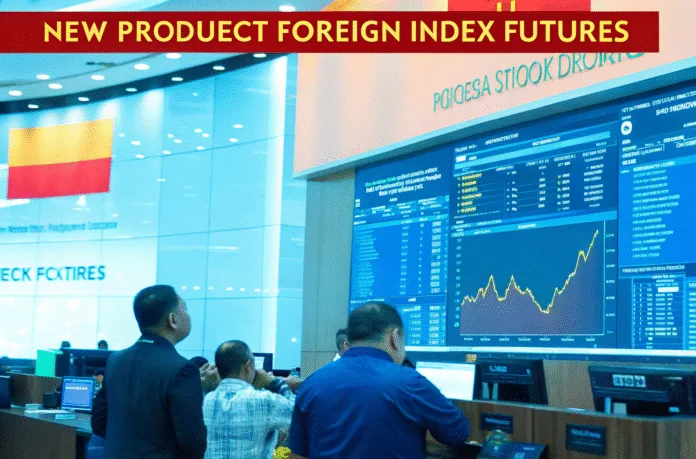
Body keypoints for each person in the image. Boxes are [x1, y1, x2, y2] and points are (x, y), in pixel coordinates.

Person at [288, 302, 470, 459]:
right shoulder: (410, 382)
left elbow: (297, 454)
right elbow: (458, 432)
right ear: (395, 337)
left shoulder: (312, 383)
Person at [91, 285, 210, 459]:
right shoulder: (183, 369)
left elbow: (99, 423)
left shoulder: (115, 360)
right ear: (172, 320)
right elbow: (193, 444)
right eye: (185, 309)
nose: (188, 315)